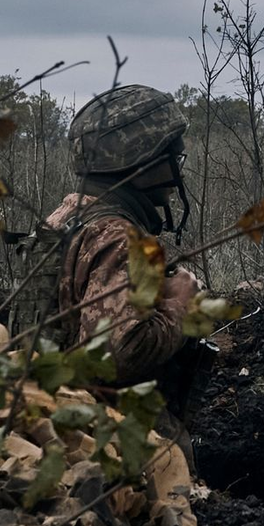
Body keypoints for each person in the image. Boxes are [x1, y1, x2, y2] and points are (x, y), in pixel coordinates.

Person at [45, 84, 203, 464]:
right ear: (143, 163)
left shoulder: (67, 216)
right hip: (107, 441)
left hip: (53, 416)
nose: (176, 168)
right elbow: (117, 353)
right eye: (171, 158)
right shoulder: (118, 237)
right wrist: (181, 305)